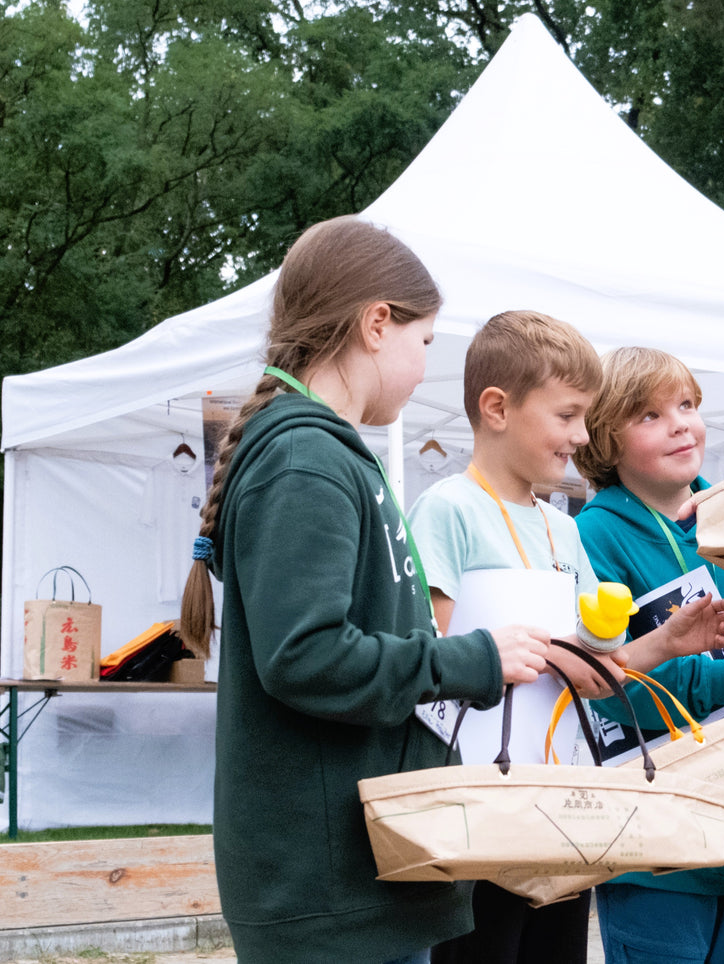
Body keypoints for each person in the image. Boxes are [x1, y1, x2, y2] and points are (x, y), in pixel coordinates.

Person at [177, 217, 554, 964]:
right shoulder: (306, 460)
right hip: (328, 899)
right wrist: (468, 661)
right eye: (424, 343)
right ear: (376, 323)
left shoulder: (324, 454)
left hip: (361, 881)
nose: (423, 369)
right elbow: (306, 655)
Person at [407, 311, 724, 964]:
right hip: (477, 806)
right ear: (496, 408)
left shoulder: (564, 529)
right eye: (566, 416)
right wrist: (538, 651)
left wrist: (667, 641)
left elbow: (599, 673)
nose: (580, 436)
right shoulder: (448, 509)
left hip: (559, 804)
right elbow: (435, 656)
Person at [572, 346, 724, 963]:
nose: (681, 422)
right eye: (650, 415)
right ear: (604, 440)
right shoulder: (593, 536)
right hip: (655, 844)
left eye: (687, 405)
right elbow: (610, 675)